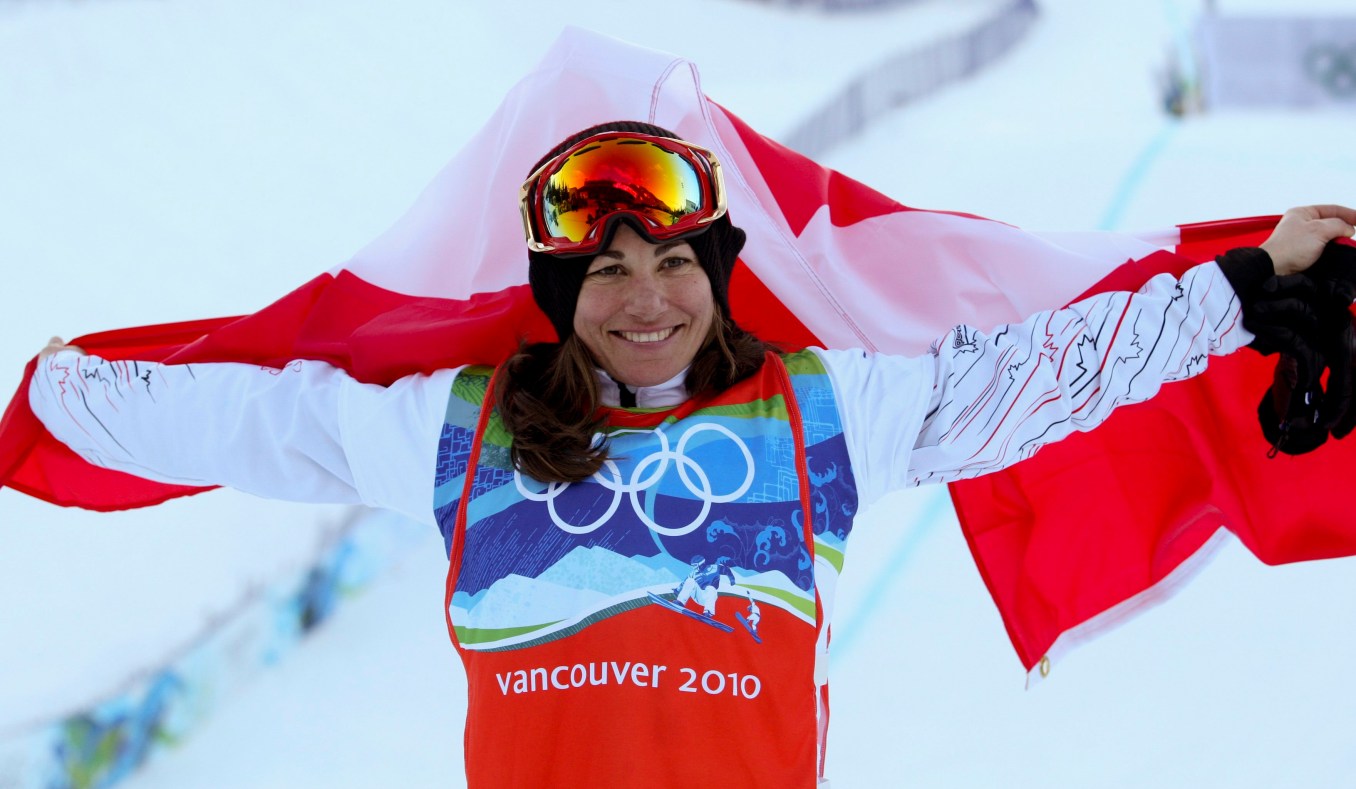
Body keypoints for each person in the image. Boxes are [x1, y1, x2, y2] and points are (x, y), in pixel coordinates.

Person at [28, 121, 1356, 788]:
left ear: (717, 278)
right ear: (558, 294)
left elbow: (1039, 374)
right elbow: (250, 414)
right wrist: (59, 393)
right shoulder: (457, 432)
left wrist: (1241, 291)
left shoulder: (823, 415)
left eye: (673, 261)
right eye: (605, 269)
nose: (645, 296)